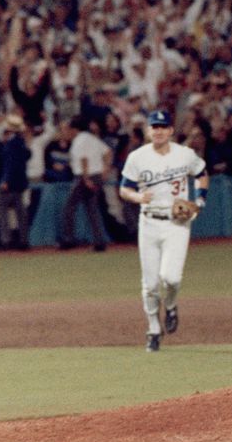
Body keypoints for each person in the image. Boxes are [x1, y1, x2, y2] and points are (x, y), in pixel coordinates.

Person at [117, 110, 210, 353]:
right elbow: (124, 189)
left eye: (162, 127)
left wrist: (200, 201)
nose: (158, 131)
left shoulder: (184, 154)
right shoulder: (137, 157)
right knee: (149, 284)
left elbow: (202, 174)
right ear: (148, 131)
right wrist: (138, 196)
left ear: (170, 131)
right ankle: (153, 330)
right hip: (148, 223)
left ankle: (170, 305)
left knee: (172, 278)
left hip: (177, 223)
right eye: (154, 127)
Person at [59, 117, 112, 252]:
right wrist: (106, 169)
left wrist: (86, 178)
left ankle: (68, 239)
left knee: (69, 207)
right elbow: (108, 152)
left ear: (74, 129)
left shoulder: (79, 141)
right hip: (97, 175)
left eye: (68, 129)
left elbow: (83, 159)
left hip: (84, 177)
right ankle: (99, 242)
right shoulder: (91, 137)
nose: (66, 132)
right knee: (92, 209)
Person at [0, 115, 32, 249]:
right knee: (21, 212)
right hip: (20, 182)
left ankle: (6, 241)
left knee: (2, 210)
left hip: (10, 183)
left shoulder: (11, 144)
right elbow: (28, 155)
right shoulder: (21, 142)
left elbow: (9, 164)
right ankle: (24, 240)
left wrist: (5, 180)